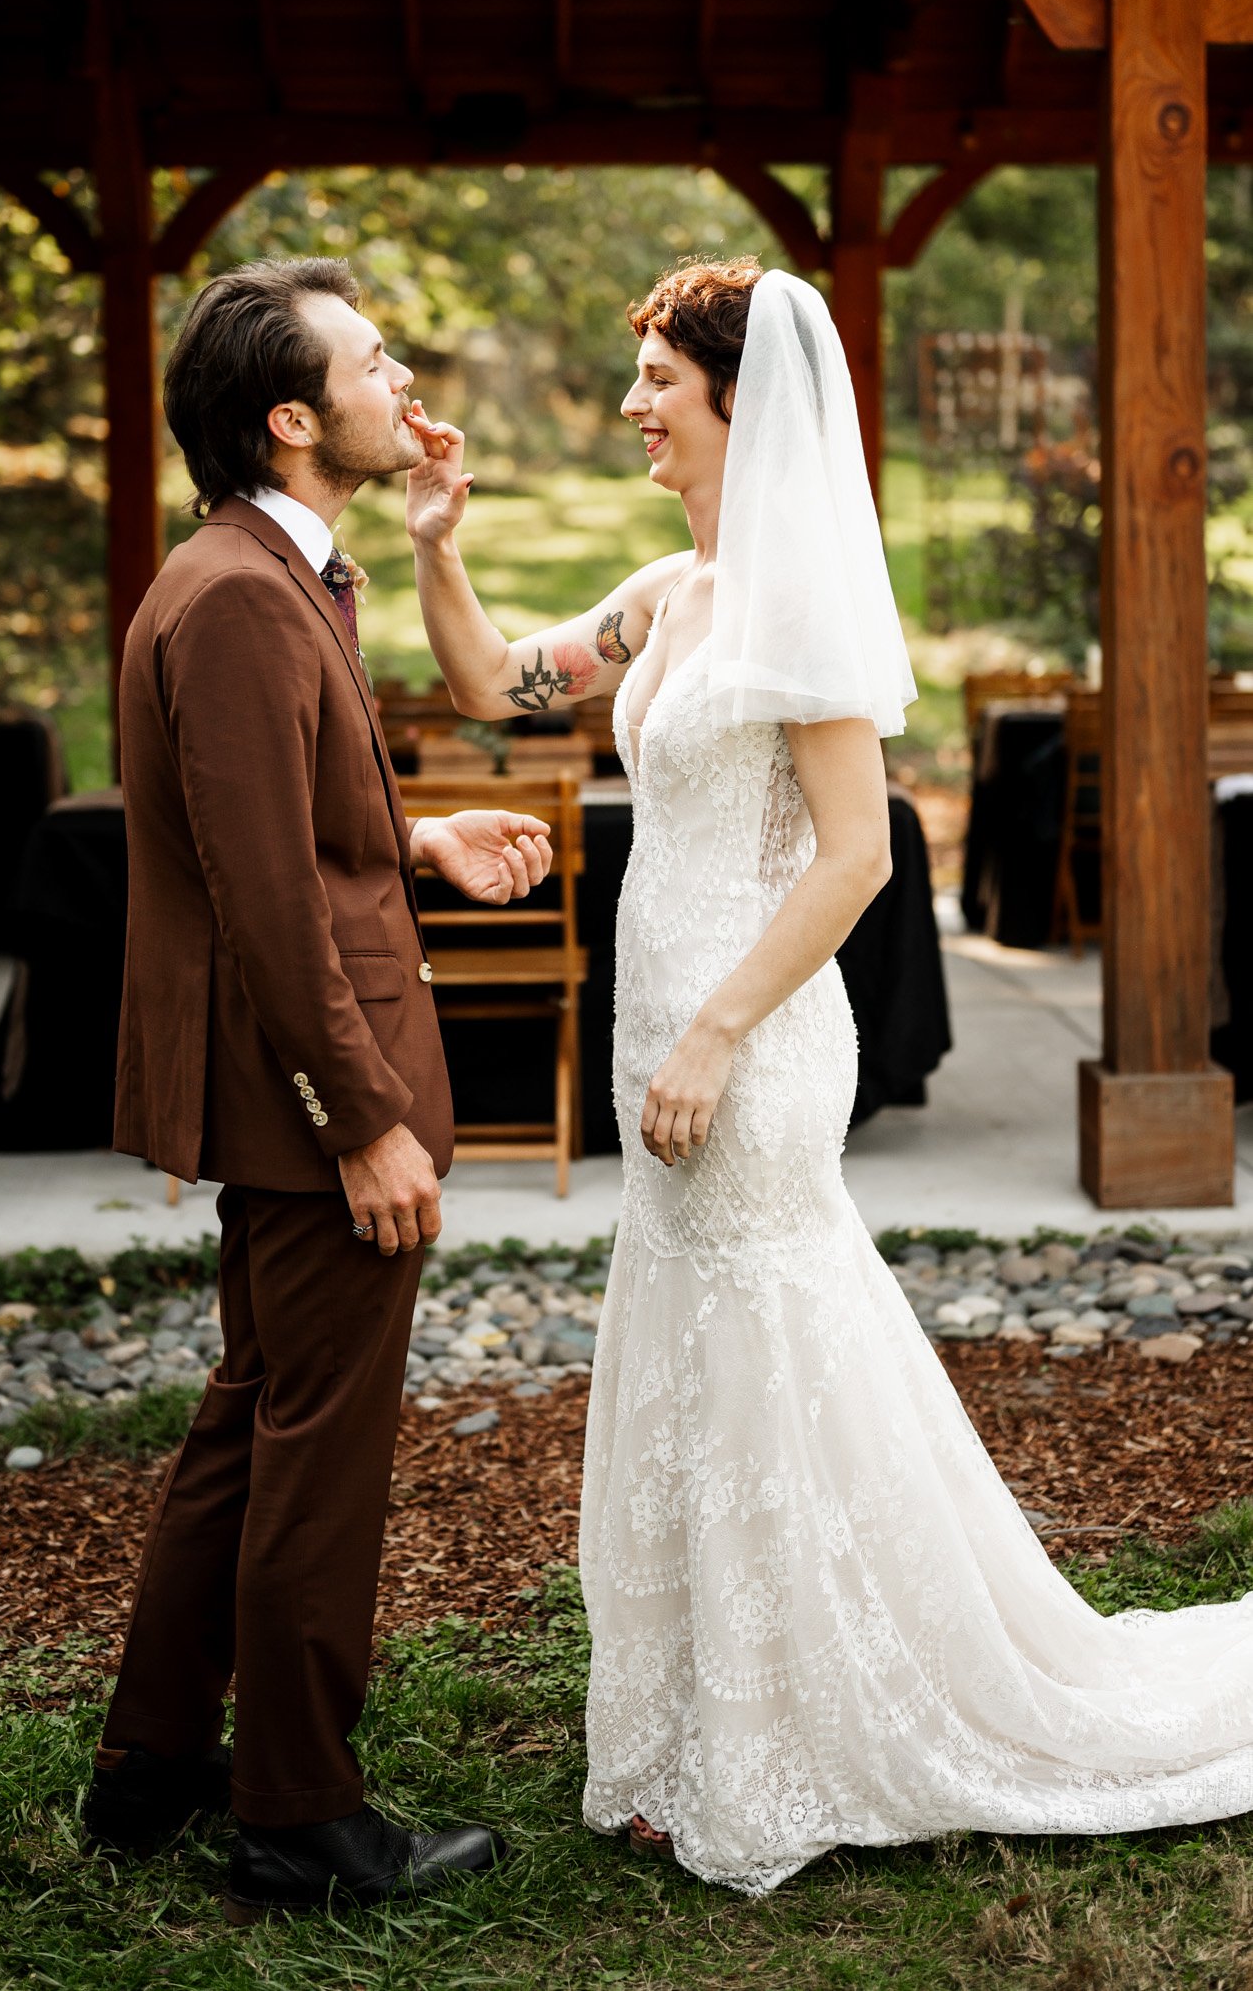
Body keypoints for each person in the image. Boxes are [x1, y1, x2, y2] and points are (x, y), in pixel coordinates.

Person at [406, 255, 1253, 1897]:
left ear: (742, 396)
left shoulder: (802, 607)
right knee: (709, 1359)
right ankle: (707, 1721)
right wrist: (439, 546)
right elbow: (490, 682)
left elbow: (860, 857)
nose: (635, 404)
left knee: (765, 1344)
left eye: (659, 377)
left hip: (754, 1033)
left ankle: (801, 1728)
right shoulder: (667, 590)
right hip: (667, 1027)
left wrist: (718, 1030)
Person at [84, 257, 549, 1916]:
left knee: (248, 1416)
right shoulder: (228, 596)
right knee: (322, 1447)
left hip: (305, 1081)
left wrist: (410, 834)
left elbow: (288, 822)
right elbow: (262, 895)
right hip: (317, 1098)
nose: (401, 371)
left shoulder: (281, 578)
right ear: (294, 418)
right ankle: (296, 1810)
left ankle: (149, 1761)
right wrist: (363, 1120)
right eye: (372, 357)